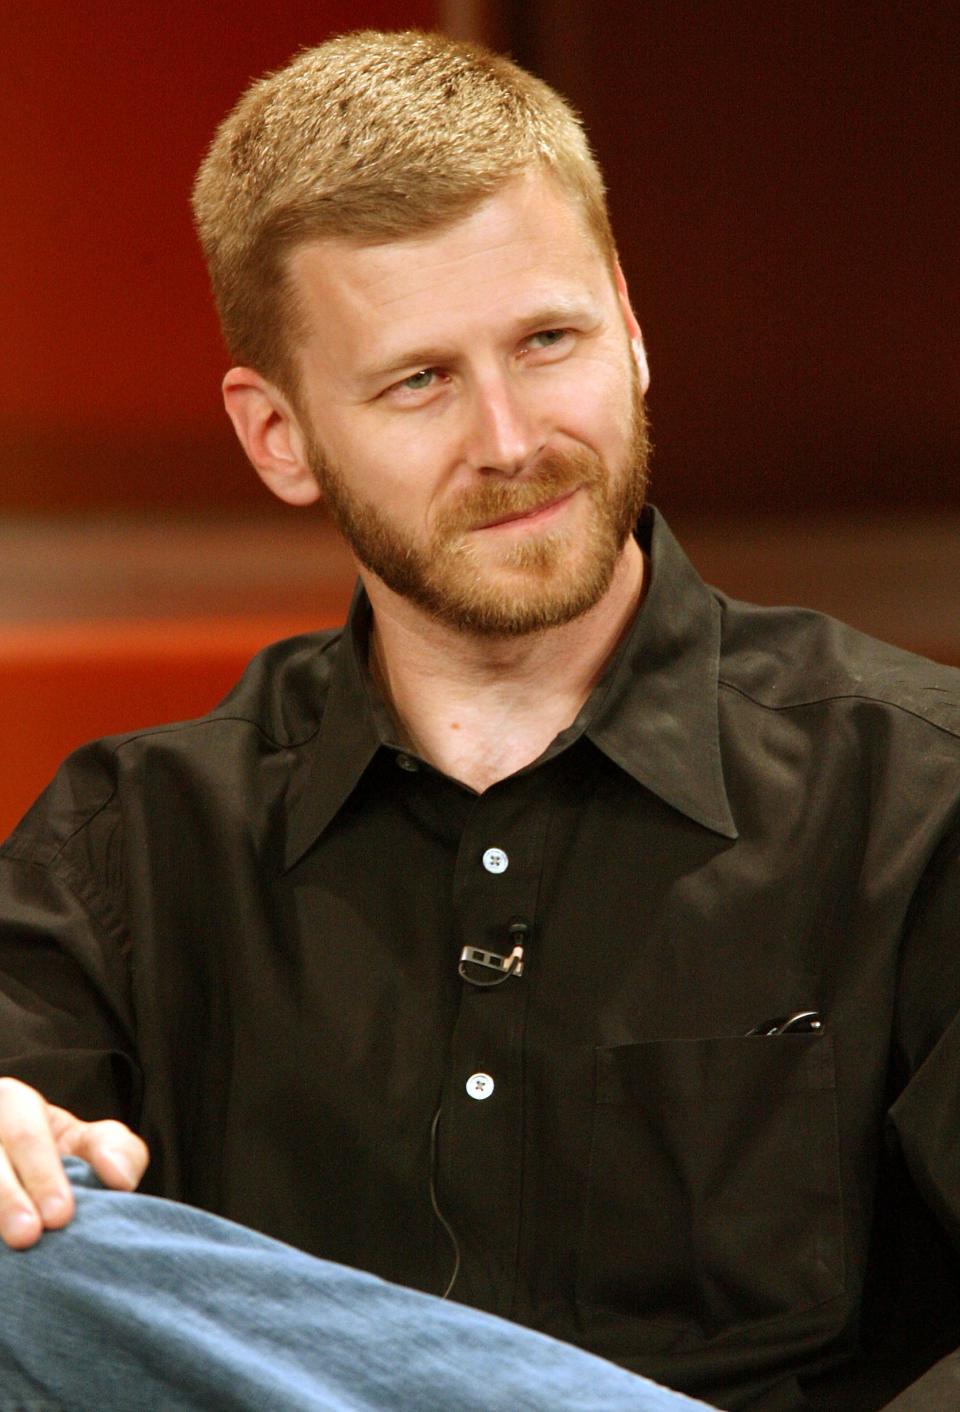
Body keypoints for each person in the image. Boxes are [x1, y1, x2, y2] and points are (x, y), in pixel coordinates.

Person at [0, 27, 959, 1412]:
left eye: (550, 341)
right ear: (278, 436)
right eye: (420, 381)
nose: (511, 439)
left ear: (632, 327)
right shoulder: (128, 848)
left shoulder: (920, 799)